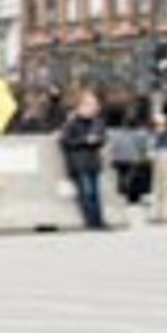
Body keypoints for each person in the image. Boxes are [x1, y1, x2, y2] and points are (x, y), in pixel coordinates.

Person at [59, 87, 111, 230]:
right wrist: (85, 141)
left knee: (95, 193)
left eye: (94, 104)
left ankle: (98, 220)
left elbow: (103, 137)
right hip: (79, 162)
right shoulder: (72, 123)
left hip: (93, 162)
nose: (93, 108)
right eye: (89, 104)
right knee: (86, 192)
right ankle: (91, 221)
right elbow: (65, 141)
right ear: (80, 106)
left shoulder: (97, 122)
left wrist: (97, 140)